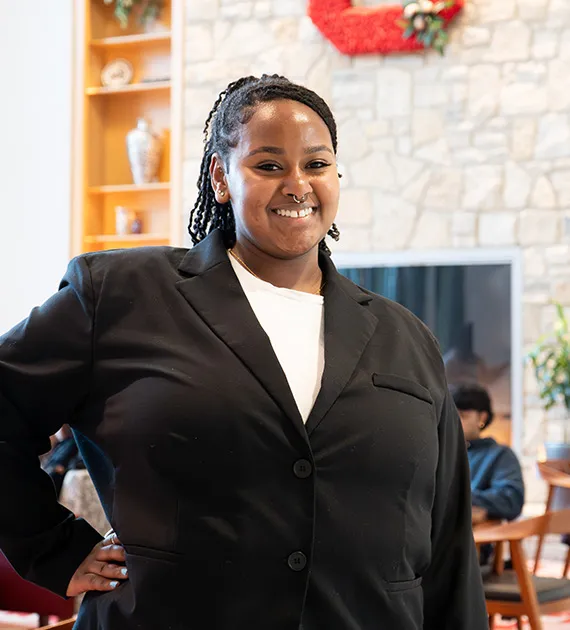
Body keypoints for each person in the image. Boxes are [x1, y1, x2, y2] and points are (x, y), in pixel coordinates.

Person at [0, 74, 487, 630]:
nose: (297, 185)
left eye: (317, 164)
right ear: (221, 178)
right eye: (269, 165)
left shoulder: (407, 337)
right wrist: (51, 547)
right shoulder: (121, 294)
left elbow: (448, 539)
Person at [451, 383, 525, 525]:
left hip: (476, 539)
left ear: (482, 418)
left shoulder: (500, 455)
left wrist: (457, 497)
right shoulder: (438, 452)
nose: (454, 421)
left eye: (463, 415)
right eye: (451, 415)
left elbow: (511, 500)